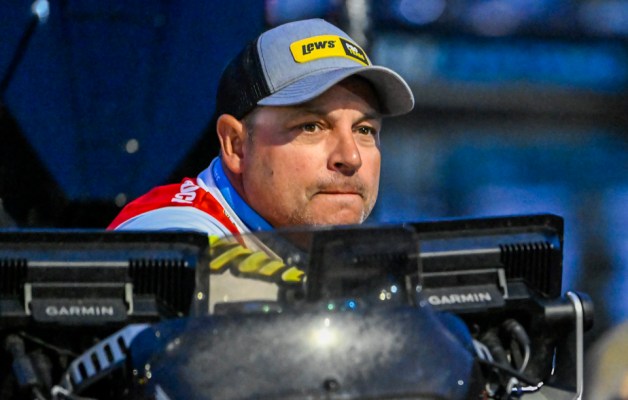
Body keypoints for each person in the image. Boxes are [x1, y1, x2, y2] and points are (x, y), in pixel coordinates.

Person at [107, 18, 414, 306]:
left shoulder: (317, 243)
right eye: (311, 126)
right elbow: (190, 267)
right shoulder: (165, 225)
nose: (350, 157)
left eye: (364, 130)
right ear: (236, 145)